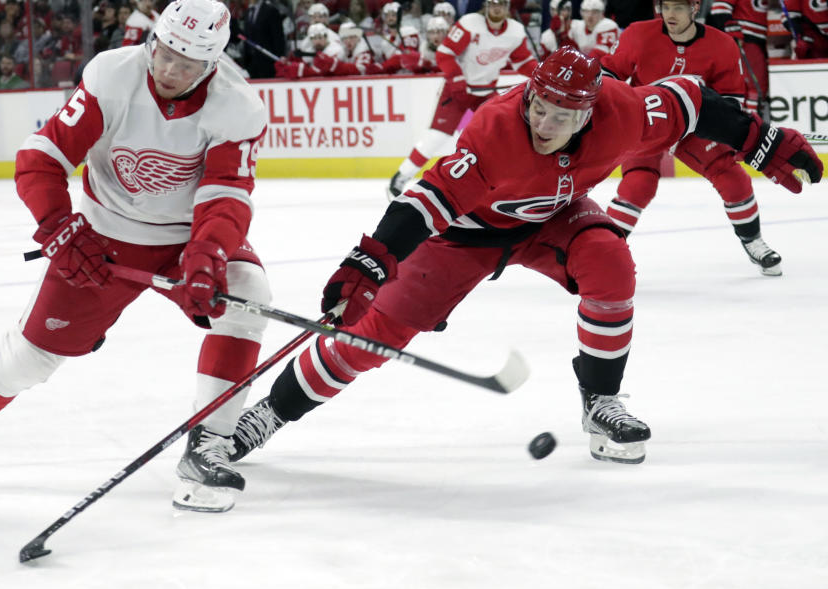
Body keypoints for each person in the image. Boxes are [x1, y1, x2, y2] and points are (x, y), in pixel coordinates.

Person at [223, 46, 822, 469]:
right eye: (539, 106)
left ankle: (600, 403)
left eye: (562, 116)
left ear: (589, 113)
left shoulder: (622, 111)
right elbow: (427, 201)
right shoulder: (495, 131)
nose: (545, 122)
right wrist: (370, 261)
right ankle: (268, 416)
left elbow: (692, 99)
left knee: (610, 262)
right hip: (464, 236)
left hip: (552, 217)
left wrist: (764, 144)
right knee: (374, 338)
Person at [0, 0, 272, 515]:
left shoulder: (238, 105)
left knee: (248, 297)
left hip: (184, 239)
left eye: (186, 63)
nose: (167, 68)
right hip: (101, 237)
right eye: (163, 52)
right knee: (28, 359)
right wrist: (57, 228)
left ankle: (208, 444)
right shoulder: (112, 75)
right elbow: (41, 158)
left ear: (213, 63)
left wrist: (206, 257)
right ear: (152, 39)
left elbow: (226, 194)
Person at [602, 0, 788, 276]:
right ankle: (603, 252)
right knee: (638, 185)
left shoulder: (722, 45)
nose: (670, 14)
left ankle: (754, 242)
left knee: (733, 178)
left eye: (679, 6)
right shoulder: (638, 34)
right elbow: (610, 72)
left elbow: (731, 101)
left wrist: (724, 127)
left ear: (695, 7)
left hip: (694, 128)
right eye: (665, 5)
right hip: (648, 123)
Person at [386, 0, 536, 197]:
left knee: (501, 134)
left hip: (485, 92)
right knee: (436, 136)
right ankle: (401, 176)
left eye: (501, 4)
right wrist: (457, 80)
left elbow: (522, 61)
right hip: (457, 90)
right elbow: (444, 53)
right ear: (486, 5)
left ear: (508, 7)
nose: (496, 8)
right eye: (492, 4)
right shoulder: (469, 24)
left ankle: (505, 182)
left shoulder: (515, 32)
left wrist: (539, 73)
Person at [708, 0, 770, 115]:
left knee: (760, 86)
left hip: (759, 40)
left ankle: (752, 122)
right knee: (754, 86)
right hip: (745, 40)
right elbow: (720, 10)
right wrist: (733, 32)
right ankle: (752, 123)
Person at [241, 0, 286, 78]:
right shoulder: (248, 12)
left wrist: (281, 55)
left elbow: (278, 35)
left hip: (268, 59)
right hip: (252, 62)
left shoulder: (270, 10)